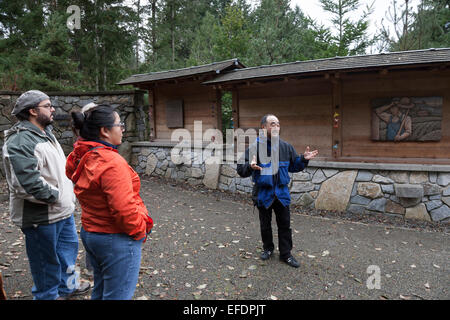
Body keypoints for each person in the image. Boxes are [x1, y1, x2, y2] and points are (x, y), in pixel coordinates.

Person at [2, 90, 91, 300]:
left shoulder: (44, 134)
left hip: (62, 213)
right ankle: (47, 296)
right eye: (47, 105)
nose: (53, 109)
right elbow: (26, 184)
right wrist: (57, 196)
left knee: (67, 256)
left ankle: (68, 287)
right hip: (41, 218)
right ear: (32, 111)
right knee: (45, 265)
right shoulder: (20, 141)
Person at [66, 105, 153, 300]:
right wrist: (140, 230)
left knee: (101, 290)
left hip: (92, 233)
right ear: (104, 131)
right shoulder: (111, 162)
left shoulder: (82, 155)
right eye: (119, 124)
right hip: (116, 238)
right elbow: (124, 210)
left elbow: (71, 171)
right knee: (117, 295)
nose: (122, 128)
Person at [237, 114, 318, 268]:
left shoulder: (286, 147)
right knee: (265, 225)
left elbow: (294, 166)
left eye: (278, 124)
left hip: (281, 194)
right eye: (272, 124)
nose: (276, 127)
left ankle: (286, 254)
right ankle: (268, 249)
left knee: (285, 225)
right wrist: (250, 166)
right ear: (263, 127)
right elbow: (240, 170)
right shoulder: (254, 148)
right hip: (263, 194)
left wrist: (304, 159)